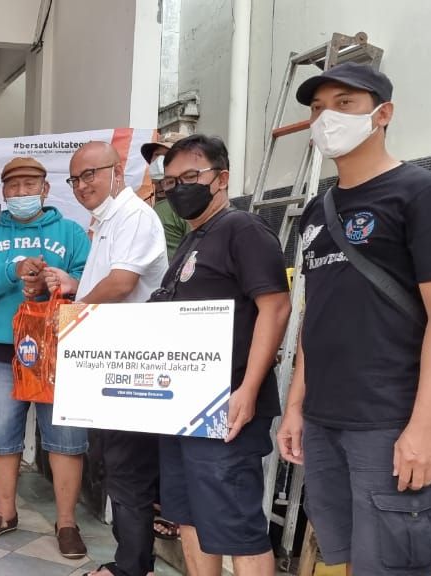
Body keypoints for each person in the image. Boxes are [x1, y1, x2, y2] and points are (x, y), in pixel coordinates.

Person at [277, 63, 431, 575]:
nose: (327, 118)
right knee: (345, 558)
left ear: (383, 114)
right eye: (318, 108)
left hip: (389, 423)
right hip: (324, 421)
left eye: (345, 104)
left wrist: (424, 427)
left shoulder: (422, 194)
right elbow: (316, 315)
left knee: (389, 564)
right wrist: (296, 406)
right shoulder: (317, 211)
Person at [153, 135, 291, 576]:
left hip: (227, 408)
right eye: (171, 181)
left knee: (236, 526)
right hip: (182, 409)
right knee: (190, 518)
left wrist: (247, 390)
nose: (179, 188)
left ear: (222, 178)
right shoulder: (192, 241)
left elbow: (276, 307)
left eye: (191, 176)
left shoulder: (243, 230)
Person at [41, 142, 168, 576]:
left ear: (118, 171)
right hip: (111, 361)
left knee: (127, 470)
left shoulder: (133, 216)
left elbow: (121, 284)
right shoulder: (108, 221)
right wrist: (74, 286)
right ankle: (131, 562)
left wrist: (75, 314)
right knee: (118, 467)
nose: (81, 186)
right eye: (75, 179)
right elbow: (106, 282)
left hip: (132, 364)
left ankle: (132, 567)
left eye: (90, 174)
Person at [0, 157, 92, 558]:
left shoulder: (71, 232)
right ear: (4, 192)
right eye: (14, 186)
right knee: (0, 436)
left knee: (66, 440)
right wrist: (14, 269)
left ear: (45, 189)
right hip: (3, 349)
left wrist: (56, 282)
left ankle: (66, 522)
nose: (21, 192)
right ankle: (5, 512)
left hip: (58, 348)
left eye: (29, 185)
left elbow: (89, 279)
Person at [139, 133, 192, 255]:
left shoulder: (188, 203)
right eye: (157, 155)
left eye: (168, 154)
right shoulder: (145, 203)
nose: (159, 161)